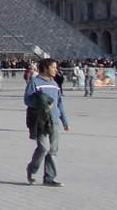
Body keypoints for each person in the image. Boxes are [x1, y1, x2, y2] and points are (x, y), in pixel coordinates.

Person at [25, 58, 69, 187]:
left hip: (54, 120)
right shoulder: (35, 82)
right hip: (41, 120)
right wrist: (41, 104)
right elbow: (27, 100)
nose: (56, 70)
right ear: (45, 68)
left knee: (53, 150)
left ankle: (49, 178)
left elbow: (60, 103)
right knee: (43, 148)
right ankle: (32, 170)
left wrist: (65, 121)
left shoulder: (55, 84)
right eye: (53, 67)